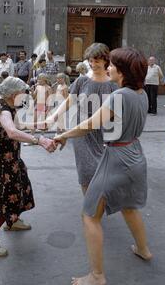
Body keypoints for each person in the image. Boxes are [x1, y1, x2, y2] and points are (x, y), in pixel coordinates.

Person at [54, 47, 152, 285]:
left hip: (117, 157)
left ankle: (97, 275)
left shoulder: (119, 95)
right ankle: (143, 250)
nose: (108, 67)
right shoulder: (141, 93)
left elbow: (88, 124)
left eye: (112, 64)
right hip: (135, 155)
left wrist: (62, 136)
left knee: (89, 215)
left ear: (122, 70)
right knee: (129, 206)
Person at [0, 77, 57, 257]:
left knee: (22, 186)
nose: (24, 98)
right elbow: (12, 132)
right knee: (7, 198)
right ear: (14, 94)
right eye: (22, 95)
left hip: (10, 159)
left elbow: (17, 126)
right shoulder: (2, 110)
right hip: (3, 163)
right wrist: (40, 140)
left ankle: (12, 221)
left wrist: (39, 125)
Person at [47, 43, 118, 195]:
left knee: (102, 170)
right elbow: (69, 101)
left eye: (97, 61)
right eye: (90, 61)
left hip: (103, 133)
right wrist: (54, 115)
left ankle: (99, 201)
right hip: (81, 133)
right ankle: (90, 205)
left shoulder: (113, 85)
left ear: (106, 61)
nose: (93, 64)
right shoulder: (82, 81)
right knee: (86, 170)